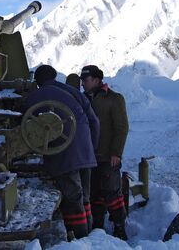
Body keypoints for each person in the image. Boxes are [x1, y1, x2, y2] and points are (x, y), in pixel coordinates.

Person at [24, 65, 99, 239]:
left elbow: (25, 129)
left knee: (73, 200)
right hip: (86, 152)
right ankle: (93, 237)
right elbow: (94, 122)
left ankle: (82, 239)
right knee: (85, 198)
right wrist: (91, 148)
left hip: (63, 154)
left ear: (37, 82)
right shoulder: (73, 92)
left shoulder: (34, 97)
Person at [80, 65, 129, 240]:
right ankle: (97, 226)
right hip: (89, 157)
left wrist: (116, 153)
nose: (83, 84)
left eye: (85, 80)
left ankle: (119, 226)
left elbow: (121, 128)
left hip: (108, 156)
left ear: (96, 80)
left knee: (112, 192)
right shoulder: (82, 99)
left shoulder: (114, 99)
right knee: (94, 193)